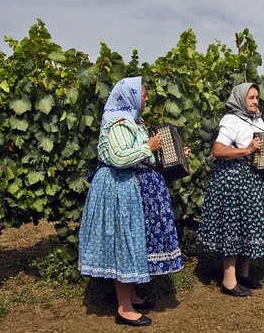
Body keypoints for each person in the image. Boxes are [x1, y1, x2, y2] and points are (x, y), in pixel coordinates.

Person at [79, 77, 187, 326]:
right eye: (143, 94)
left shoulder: (134, 122)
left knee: (133, 243)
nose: (146, 97)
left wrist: (172, 154)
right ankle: (124, 308)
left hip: (130, 189)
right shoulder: (118, 124)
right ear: (129, 96)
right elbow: (118, 157)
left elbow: (141, 154)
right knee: (124, 245)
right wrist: (148, 146)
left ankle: (133, 296)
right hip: (119, 190)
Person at [196, 83, 264, 297]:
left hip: (253, 180)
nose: (255, 101)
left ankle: (243, 273)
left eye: (257, 97)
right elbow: (218, 150)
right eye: (250, 97)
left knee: (248, 226)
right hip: (234, 180)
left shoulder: (258, 121)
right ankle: (229, 281)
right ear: (241, 99)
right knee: (234, 227)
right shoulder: (231, 120)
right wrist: (247, 149)